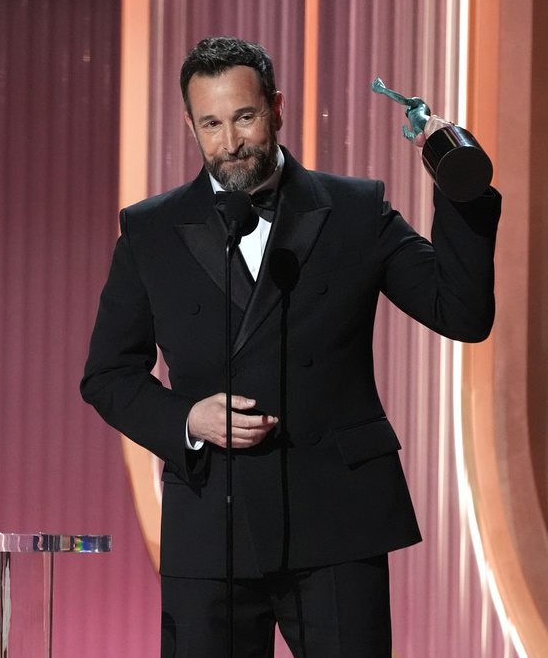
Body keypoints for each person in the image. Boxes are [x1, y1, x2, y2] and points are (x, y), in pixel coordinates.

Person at [80, 37, 500, 657]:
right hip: (211, 524)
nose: (230, 143)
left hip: (336, 518)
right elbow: (109, 374)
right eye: (211, 124)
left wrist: (458, 191)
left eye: (244, 117)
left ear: (276, 108)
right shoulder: (150, 230)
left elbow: (460, 312)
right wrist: (186, 420)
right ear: (190, 125)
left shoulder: (354, 210)